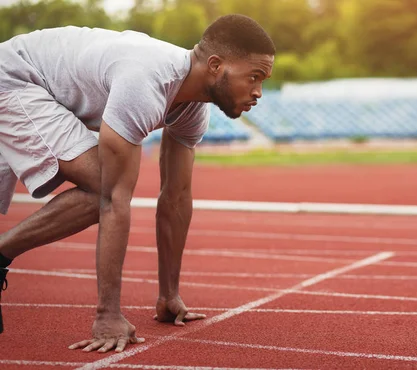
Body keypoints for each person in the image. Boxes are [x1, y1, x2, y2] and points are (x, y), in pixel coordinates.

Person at [0, 14, 275, 353]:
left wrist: (168, 294)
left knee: (105, 186)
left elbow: (176, 197)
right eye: (255, 77)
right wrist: (108, 315)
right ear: (216, 65)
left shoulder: (193, 108)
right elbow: (114, 200)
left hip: (45, 88)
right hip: (15, 77)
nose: (258, 92)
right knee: (105, 186)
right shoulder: (146, 81)